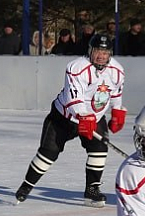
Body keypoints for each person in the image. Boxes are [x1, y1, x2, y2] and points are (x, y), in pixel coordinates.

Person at [14, 34, 126, 207]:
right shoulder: (76, 67)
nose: (101, 56)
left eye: (105, 52)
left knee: (99, 151)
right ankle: (27, 185)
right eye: (98, 51)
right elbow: (73, 97)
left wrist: (117, 110)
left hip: (94, 117)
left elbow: (116, 92)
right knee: (48, 154)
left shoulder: (117, 71)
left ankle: (92, 191)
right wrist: (83, 115)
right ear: (90, 51)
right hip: (64, 118)